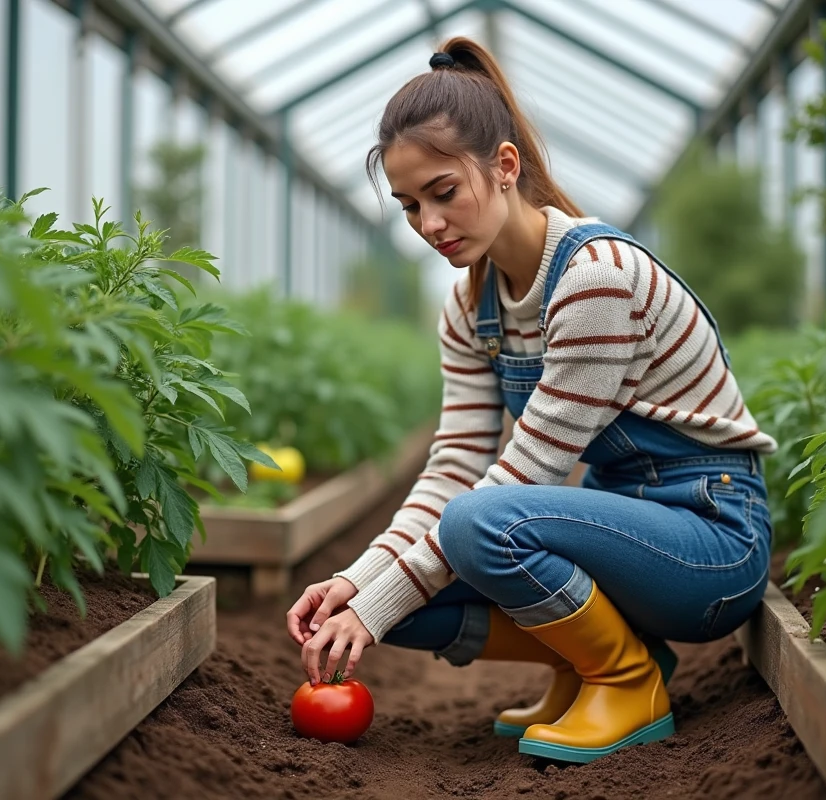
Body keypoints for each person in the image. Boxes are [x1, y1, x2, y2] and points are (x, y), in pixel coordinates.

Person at [286, 37, 776, 765]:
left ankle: (625, 676)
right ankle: (579, 663)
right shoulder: (470, 306)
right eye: (410, 205)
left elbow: (529, 475)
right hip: (627, 543)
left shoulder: (596, 279)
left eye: (444, 192)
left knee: (475, 530)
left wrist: (382, 593)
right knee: (405, 605)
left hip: (708, 545)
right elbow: (453, 464)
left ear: (505, 166)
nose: (428, 224)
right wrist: (358, 584)